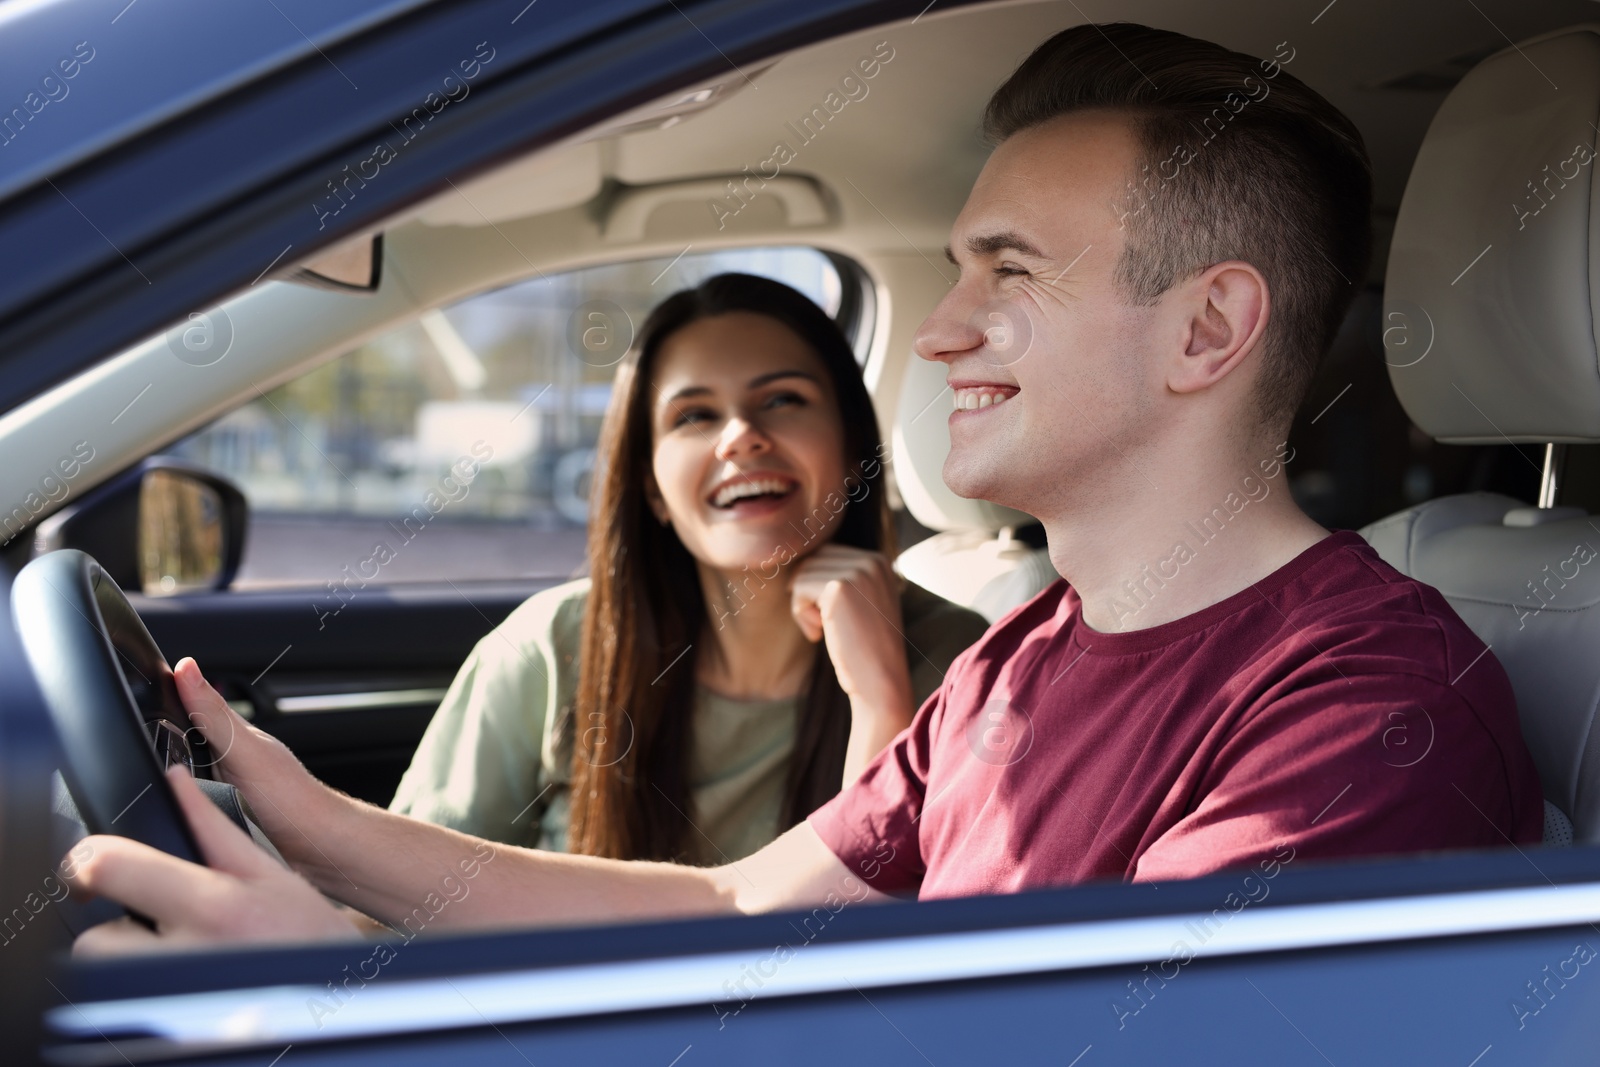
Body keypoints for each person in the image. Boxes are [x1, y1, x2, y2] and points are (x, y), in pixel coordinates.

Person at [66, 23, 1544, 953]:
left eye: (1006, 271)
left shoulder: (1363, 704)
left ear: (1209, 328)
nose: (948, 327)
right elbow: (728, 905)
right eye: (953, 266)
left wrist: (324, 1006)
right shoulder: (1021, 663)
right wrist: (316, 829)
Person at [388, 273, 987, 864]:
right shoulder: (549, 647)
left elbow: (881, 931)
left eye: (782, 400)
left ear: (855, 452)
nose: (741, 438)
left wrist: (881, 704)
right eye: (694, 415)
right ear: (651, 488)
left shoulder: (958, 658)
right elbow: (403, 901)